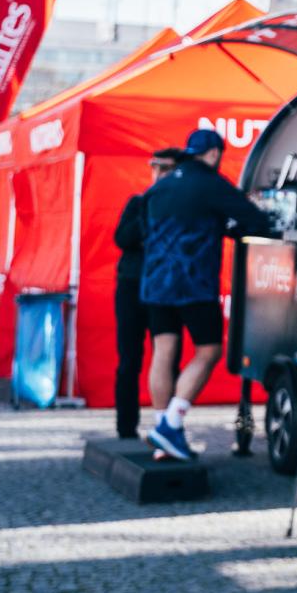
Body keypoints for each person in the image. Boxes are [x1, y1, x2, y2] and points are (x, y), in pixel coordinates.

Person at [142, 129, 273, 460]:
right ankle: (170, 425)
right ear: (214, 154)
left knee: (163, 350)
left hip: (155, 282)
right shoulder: (210, 182)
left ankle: (162, 431)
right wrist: (229, 228)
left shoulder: (162, 185)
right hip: (193, 284)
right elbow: (257, 221)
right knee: (210, 350)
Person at [112, 147, 181, 439]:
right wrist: (151, 212)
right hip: (132, 287)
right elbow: (122, 238)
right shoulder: (139, 202)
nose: (159, 173)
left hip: (164, 290)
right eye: (155, 167)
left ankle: (168, 425)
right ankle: (126, 428)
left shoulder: (182, 207)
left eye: (165, 168)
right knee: (129, 360)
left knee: (167, 358)